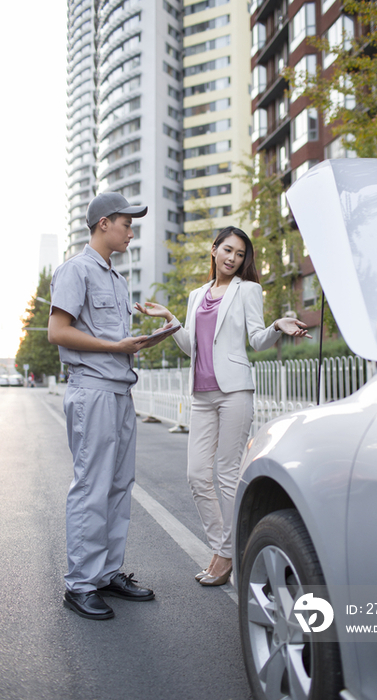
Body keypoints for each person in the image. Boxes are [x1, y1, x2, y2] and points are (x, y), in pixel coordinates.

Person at [135, 226, 310, 586]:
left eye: (240, 254)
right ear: (214, 250)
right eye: (227, 250)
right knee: (197, 474)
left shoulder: (248, 290)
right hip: (201, 394)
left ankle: (225, 555)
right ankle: (224, 548)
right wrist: (171, 320)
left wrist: (278, 324)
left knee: (228, 475)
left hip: (234, 392)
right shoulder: (197, 294)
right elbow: (191, 345)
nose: (233, 258)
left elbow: (258, 340)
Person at [48, 192, 177, 620]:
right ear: (103, 223)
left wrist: (152, 335)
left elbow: (115, 344)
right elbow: (57, 332)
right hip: (93, 391)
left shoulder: (118, 280)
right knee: (92, 485)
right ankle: (80, 584)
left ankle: (106, 573)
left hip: (121, 391)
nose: (130, 230)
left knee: (121, 484)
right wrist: (112, 345)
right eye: (126, 222)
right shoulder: (76, 270)